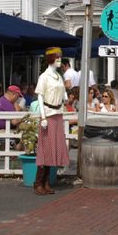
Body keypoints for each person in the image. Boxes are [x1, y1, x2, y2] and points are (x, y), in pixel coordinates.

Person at [34, 47, 69, 195]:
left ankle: (46, 181)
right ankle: (38, 182)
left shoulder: (58, 76)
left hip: (57, 113)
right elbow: (40, 96)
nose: (59, 61)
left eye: (60, 58)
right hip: (48, 114)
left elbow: (63, 92)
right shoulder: (44, 76)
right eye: (57, 58)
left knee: (54, 148)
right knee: (46, 148)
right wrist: (42, 116)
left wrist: (65, 98)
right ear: (50, 59)